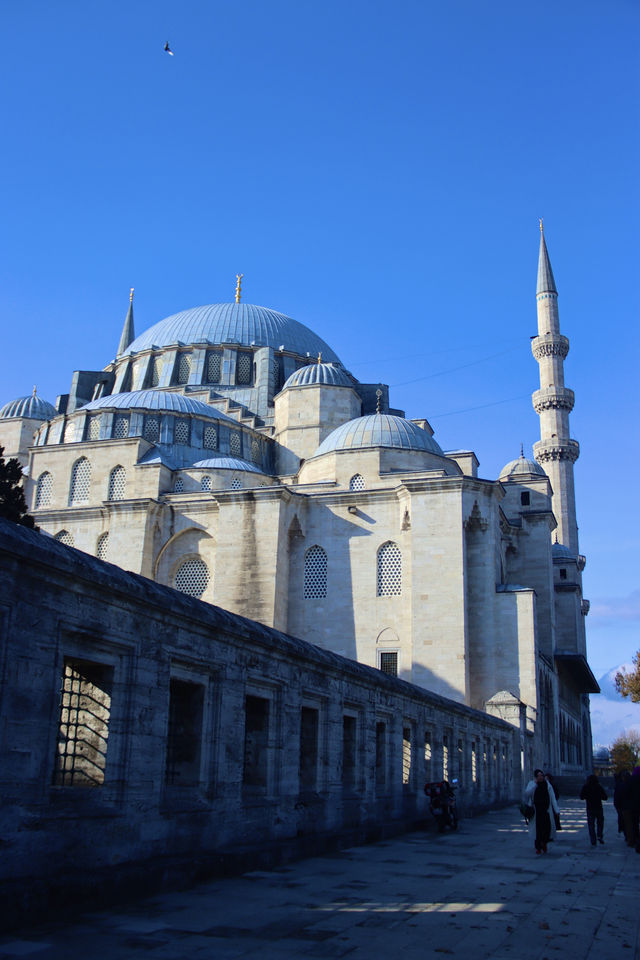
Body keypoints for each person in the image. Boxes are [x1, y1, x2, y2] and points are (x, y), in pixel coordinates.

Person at [524, 768, 559, 855]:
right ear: (535, 777)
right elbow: (527, 794)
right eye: (538, 776)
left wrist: (556, 809)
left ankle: (544, 843)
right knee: (537, 830)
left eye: (541, 775)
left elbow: (553, 797)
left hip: (546, 810)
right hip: (536, 811)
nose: (540, 777)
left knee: (546, 828)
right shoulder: (532, 784)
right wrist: (535, 785)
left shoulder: (547, 785)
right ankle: (538, 847)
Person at [580, 773, 607, 846]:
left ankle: (593, 839)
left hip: (590, 808)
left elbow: (581, 797)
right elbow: (605, 797)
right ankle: (599, 835)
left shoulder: (586, 787)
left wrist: (587, 796)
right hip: (598, 807)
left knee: (591, 824)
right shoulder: (599, 786)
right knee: (600, 823)